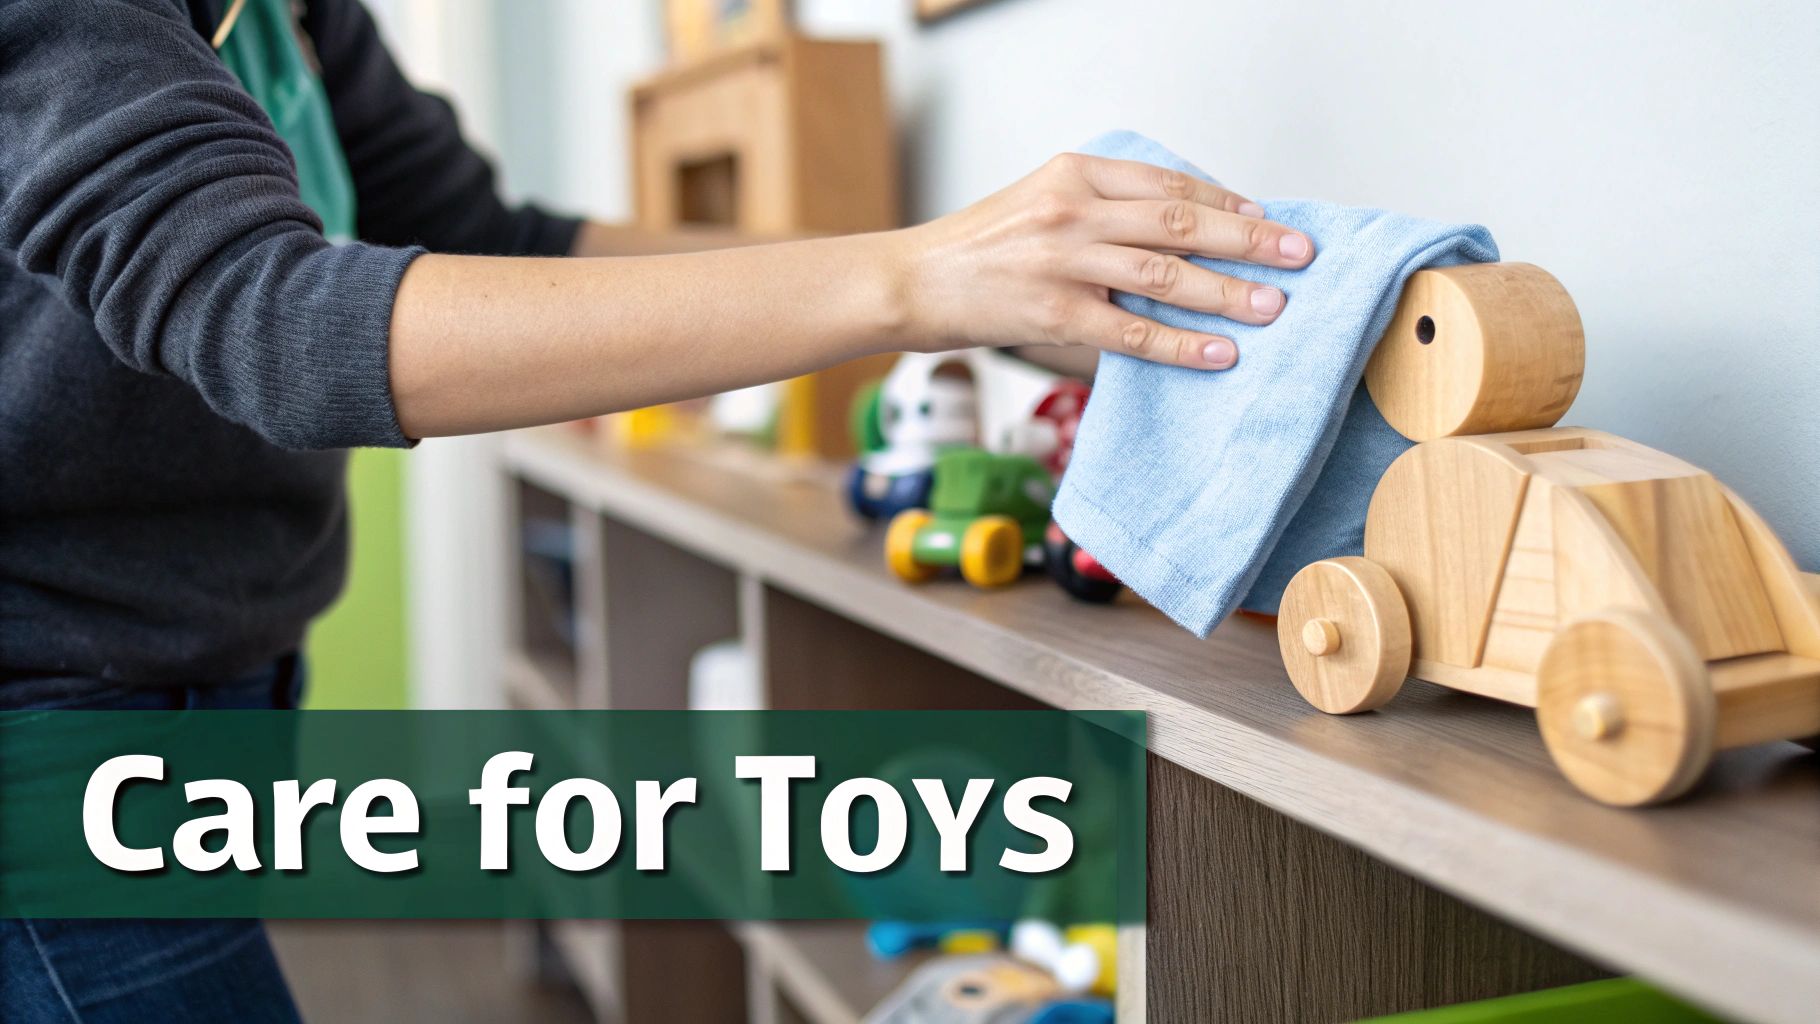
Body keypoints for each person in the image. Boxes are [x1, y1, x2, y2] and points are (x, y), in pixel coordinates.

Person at [0, 0, 1315, 1018]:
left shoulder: (293, 16)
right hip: (50, 699)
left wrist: (1001, 287)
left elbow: (503, 243)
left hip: (204, 673)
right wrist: (923, 279)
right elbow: (283, 326)